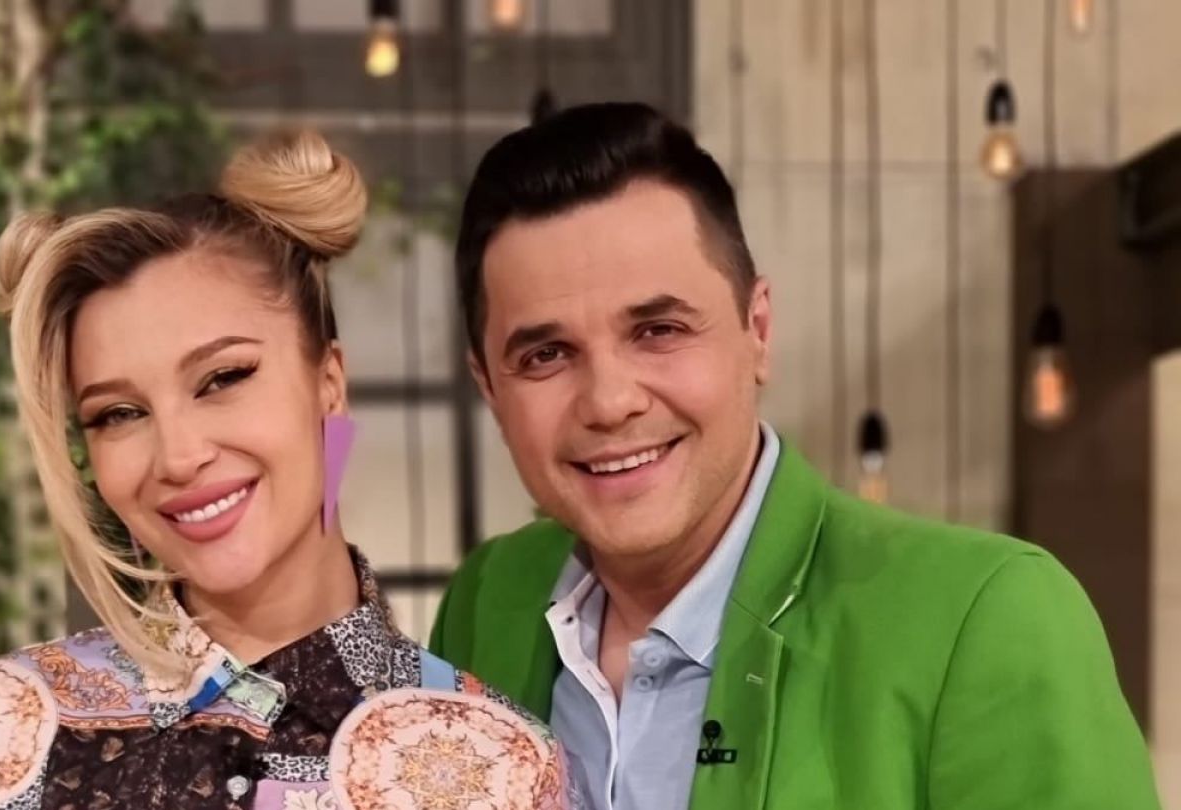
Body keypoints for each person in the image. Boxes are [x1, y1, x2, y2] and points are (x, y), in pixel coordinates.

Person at [429, 102, 1161, 809]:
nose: (610, 402)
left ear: (758, 330)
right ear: (489, 386)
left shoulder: (989, 620)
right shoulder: (488, 600)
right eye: (547, 355)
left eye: (658, 331)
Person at [0, 129, 574, 810]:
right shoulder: (4, 728)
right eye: (119, 414)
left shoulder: (500, 765)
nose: (178, 456)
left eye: (223, 378)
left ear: (328, 383)